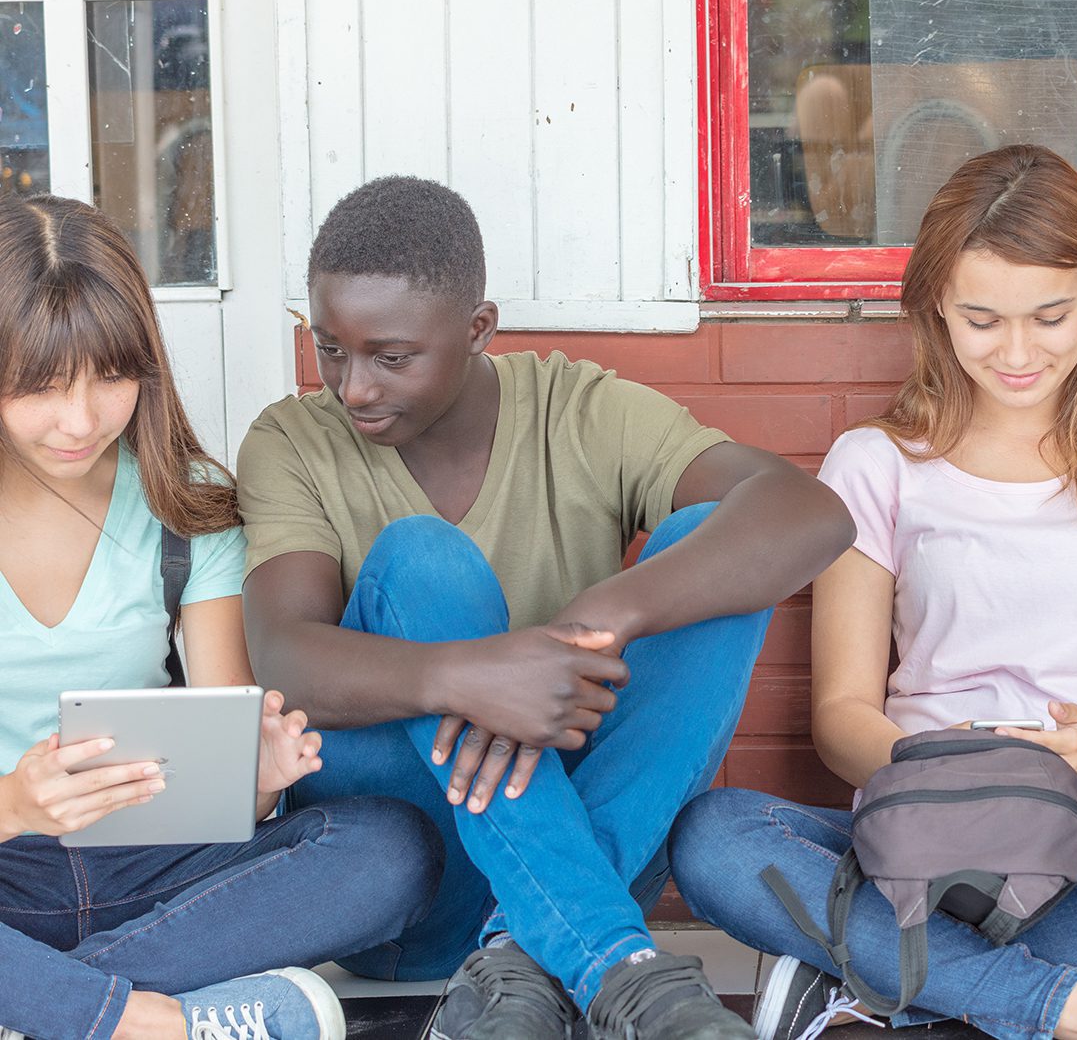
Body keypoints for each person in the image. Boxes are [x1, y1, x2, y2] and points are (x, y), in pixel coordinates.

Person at [669, 145, 1077, 1040]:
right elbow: (840, 716)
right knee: (713, 835)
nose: (1018, 352)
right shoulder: (875, 464)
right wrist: (934, 764)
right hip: (917, 842)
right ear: (936, 307)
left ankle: (876, 979)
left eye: (1050, 317)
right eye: (983, 319)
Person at [235, 177, 856, 1040]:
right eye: (330, 349)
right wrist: (469, 676)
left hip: (585, 852)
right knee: (421, 560)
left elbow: (810, 512)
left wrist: (605, 614)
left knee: (711, 546)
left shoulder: (579, 410)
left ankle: (526, 955)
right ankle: (611, 961)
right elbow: (284, 656)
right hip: (416, 886)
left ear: (478, 328)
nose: (354, 388)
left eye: (392, 356)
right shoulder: (292, 439)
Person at [0, 195, 441, 1040]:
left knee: (392, 848)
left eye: (110, 376)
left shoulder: (186, 500)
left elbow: (221, 756)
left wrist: (260, 776)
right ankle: (154, 1020)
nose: (80, 420)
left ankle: (50, 1006)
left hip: (153, 865)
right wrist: (17, 802)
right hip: (7, 865)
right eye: (42, 385)